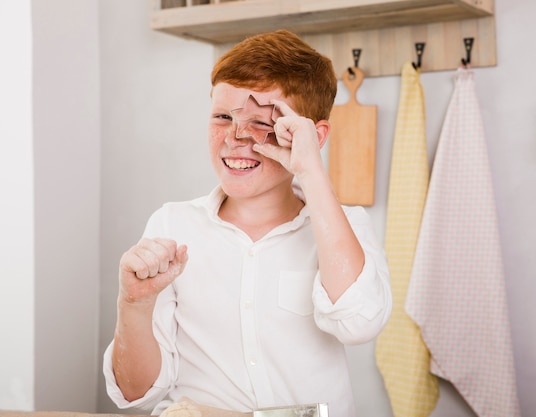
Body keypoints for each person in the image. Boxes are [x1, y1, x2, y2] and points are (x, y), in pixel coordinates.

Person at [103, 29, 392, 417]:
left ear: (312, 135)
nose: (235, 137)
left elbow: (358, 323)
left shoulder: (345, 227)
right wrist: (133, 304)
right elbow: (135, 392)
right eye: (223, 116)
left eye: (261, 122)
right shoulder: (172, 224)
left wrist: (311, 171)